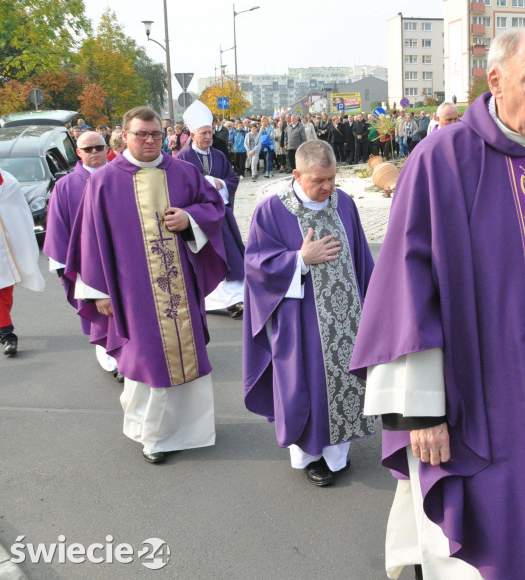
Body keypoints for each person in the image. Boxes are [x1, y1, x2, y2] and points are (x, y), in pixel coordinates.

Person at [350, 28, 525, 580]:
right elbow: (407, 286)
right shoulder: (444, 158)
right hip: (475, 396)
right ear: (495, 80)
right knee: (479, 547)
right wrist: (421, 409)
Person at [65, 106, 227, 464]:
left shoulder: (183, 172)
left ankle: (192, 429)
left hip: (181, 287)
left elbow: (214, 208)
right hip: (133, 291)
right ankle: (155, 436)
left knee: (186, 353)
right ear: (125, 136)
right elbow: (90, 240)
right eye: (141, 134)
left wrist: (190, 218)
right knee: (148, 359)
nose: (150, 140)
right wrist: (99, 291)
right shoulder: (105, 181)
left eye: (155, 134)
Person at [243, 140, 375, 486]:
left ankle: (338, 455)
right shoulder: (272, 210)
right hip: (300, 321)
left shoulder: (344, 203)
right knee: (308, 385)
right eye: (319, 181)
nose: (328, 187)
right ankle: (309, 456)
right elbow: (256, 267)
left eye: (332, 178)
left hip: (349, 319)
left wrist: (376, 304)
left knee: (348, 381)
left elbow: (361, 255)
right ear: (297, 174)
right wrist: (299, 259)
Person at [42, 131, 119, 375]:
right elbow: (56, 228)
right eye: (88, 149)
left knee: (126, 309)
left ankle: (130, 356)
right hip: (87, 264)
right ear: (78, 152)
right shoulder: (64, 187)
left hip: (121, 260)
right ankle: (112, 360)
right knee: (101, 311)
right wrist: (63, 267)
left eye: (98, 147)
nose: (94, 152)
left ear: (106, 148)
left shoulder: (120, 177)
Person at [178, 101, 247, 319]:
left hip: (222, 217)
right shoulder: (182, 159)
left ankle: (235, 300)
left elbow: (232, 179)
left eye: (210, 132)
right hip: (198, 219)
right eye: (204, 133)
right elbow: (178, 189)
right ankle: (210, 301)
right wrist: (204, 183)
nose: (208, 137)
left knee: (231, 256)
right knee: (207, 259)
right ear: (192, 133)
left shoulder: (218, 156)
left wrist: (221, 183)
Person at [0, 169, 45, 357]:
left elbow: (14, 208)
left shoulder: (8, 180)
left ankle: (4, 327)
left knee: (5, 289)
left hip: (5, 242)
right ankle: (7, 333)